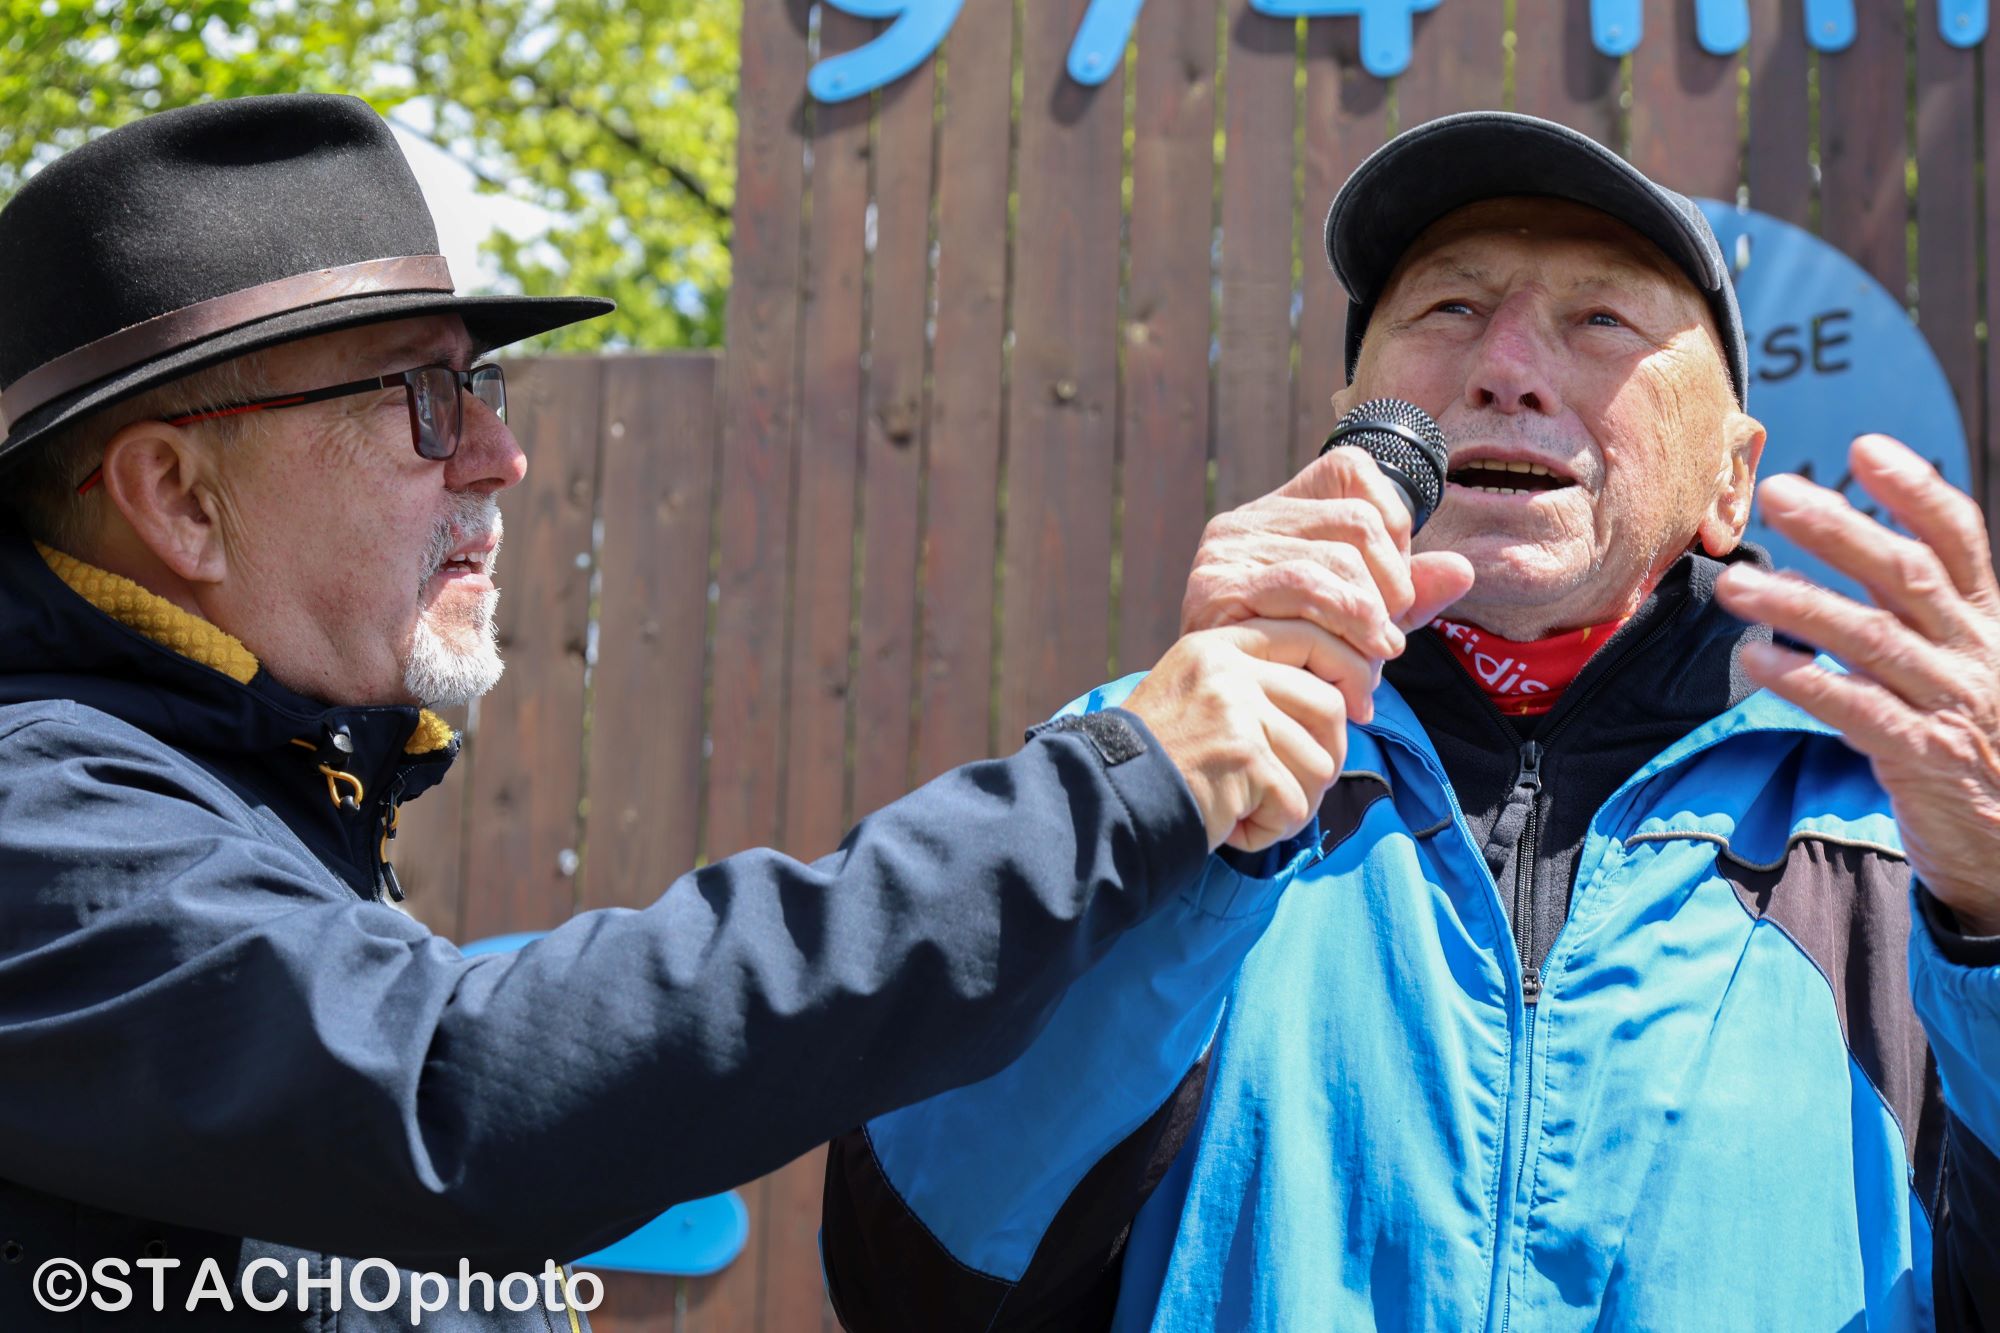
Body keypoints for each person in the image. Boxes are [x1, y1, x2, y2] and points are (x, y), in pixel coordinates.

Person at [0, 95, 1366, 1331]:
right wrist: (1110, 795)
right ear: (178, 497)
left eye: (481, 384)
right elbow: (455, 1099)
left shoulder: (261, 804)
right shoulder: (41, 824)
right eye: (423, 398)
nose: (502, 453)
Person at [820, 111, 2000, 1331]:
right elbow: (910, 1278)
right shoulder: (1142, 749)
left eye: (1600, 320)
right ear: (1352, 419)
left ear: (1730, 478)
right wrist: (1200, 848)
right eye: (1448, 311)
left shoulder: (1906, 825)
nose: (1506, 367)